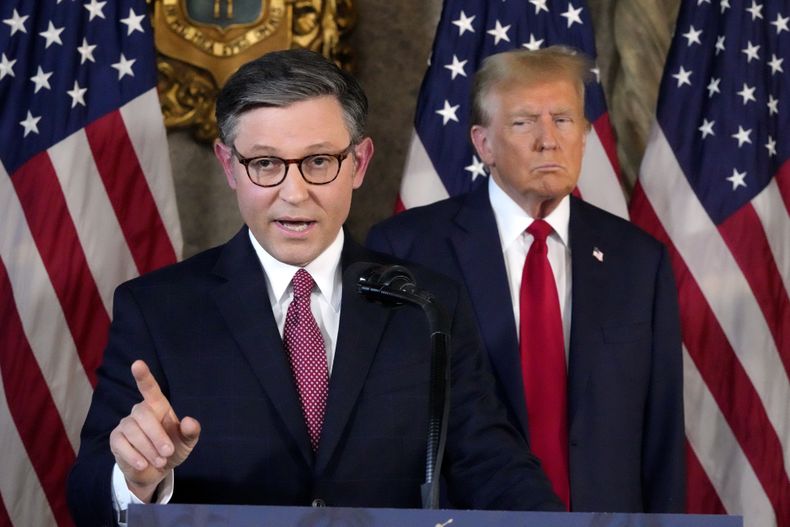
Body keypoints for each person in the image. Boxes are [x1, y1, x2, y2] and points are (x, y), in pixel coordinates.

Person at [66, 49, 563, 526]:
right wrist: (134, 480)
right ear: (228, 165)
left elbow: (493, 467)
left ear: (359, 163)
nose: (294, 192)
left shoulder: (428, 306)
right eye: (265, 163)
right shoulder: (157, 310)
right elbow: (88, 495)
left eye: (319, 161)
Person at [367, 46, 685, 512]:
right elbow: (389, 428)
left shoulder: (639, 261)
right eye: (523, 122)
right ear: (483, 143)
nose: (548, 140)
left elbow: (661, 433)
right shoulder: (409, 250)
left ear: (583, 135)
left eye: (563, 119)